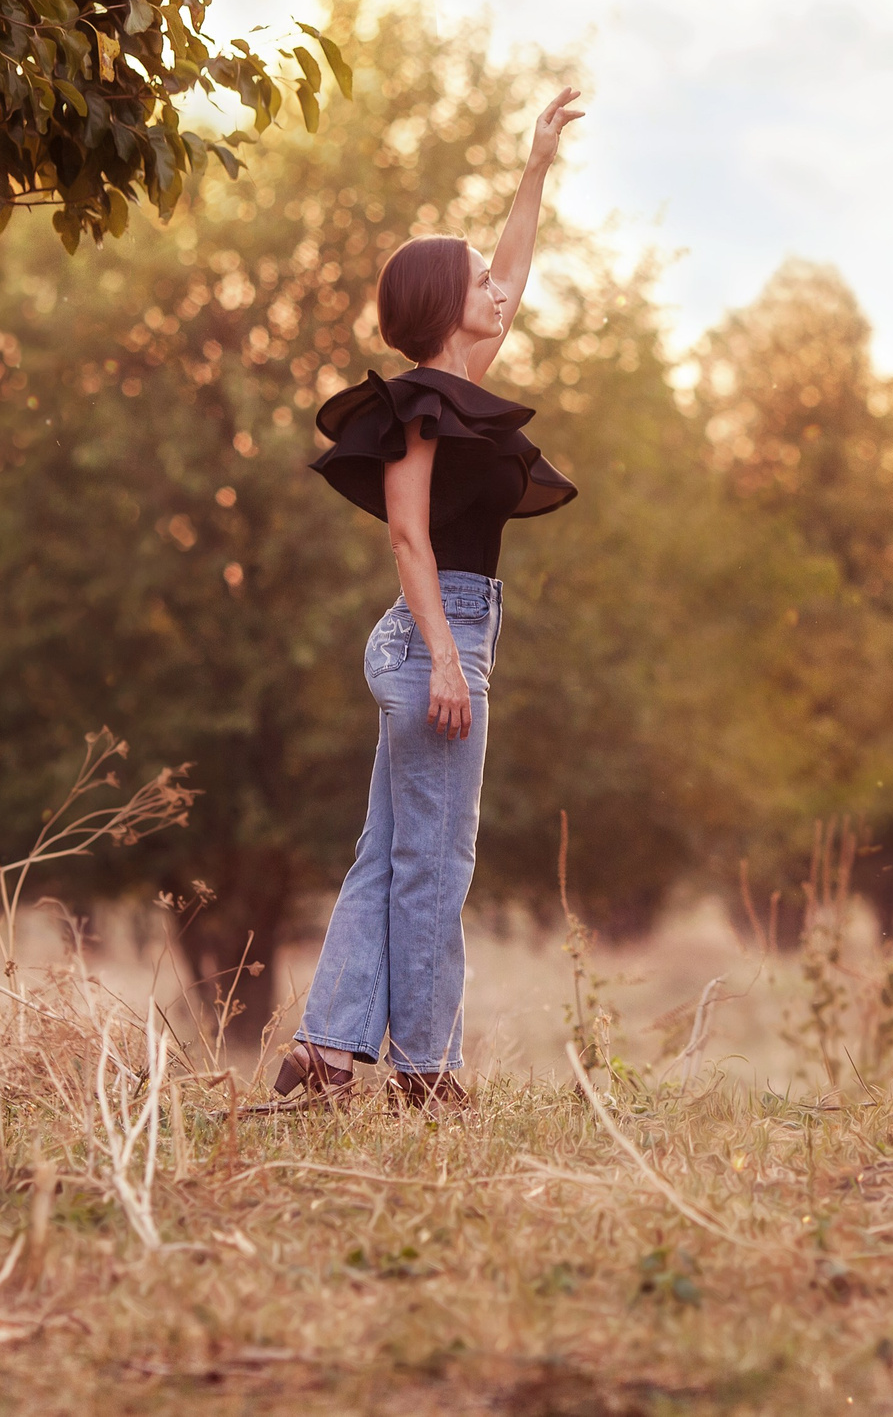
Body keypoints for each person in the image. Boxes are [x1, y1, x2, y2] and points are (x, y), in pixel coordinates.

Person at [269, 89, 585, 1110]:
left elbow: (519, 270)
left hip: (438, 633)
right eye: (479, 283)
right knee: (435, 863)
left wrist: (533, 169)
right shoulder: (416, 411)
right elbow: (407, 535)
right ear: (445, 308)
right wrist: (448, 657)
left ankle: (323, 1056)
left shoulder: (458, 388)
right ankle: (426, 1071)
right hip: (434, 636)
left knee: (389, 854)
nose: (499, 289)